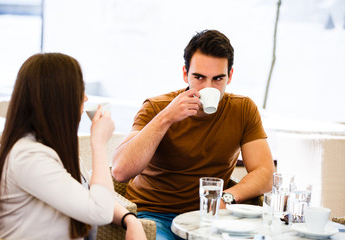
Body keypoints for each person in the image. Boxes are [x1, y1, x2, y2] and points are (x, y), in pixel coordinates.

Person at [112, 29, 275, 239]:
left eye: (218, 79)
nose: (208, 87)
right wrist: (166, 118)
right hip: (155, 215)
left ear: (230, 76)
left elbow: (265, 173)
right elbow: (120, 171)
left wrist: (228, 197)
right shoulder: (156, 107)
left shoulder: (243, 110)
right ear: (184, 73)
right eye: (199, 77)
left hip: (210, 217)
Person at [0, 53, 146, 240]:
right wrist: (99, 143)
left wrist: (129, 219)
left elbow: (92, 195)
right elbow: (99, 211)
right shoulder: (30, 157)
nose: (85, 98)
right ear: (59, 99)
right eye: (79, 90)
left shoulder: (54, 148)